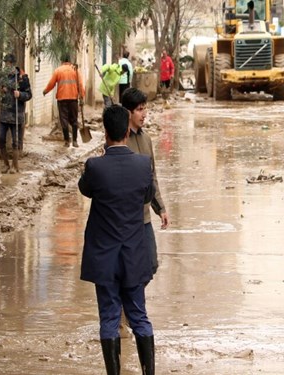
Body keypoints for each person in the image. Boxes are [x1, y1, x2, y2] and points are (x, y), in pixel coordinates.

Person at [78, 104, 156, 375]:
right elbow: (147, 197)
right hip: (134, 254)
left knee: (109, 318)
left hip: (105, 257)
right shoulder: (143, 164)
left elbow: (84, 189)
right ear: (126, 130)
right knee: (139, 316)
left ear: (105, 132)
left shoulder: (94, 167)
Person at [121, 88, 169, 276]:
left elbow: (152, 177)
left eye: (145, 109)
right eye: (140, 110)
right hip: (125, 219)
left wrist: (161, 209)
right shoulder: (119, 140)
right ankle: (130, 303)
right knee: (128, 268)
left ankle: (132, 300)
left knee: (150, 265)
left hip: (145, 216)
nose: (144, 114)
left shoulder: (146, 139)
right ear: (129, 112)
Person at [43, 53, 85, 148]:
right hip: (73, 99)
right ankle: (75, 141)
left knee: (64, 120)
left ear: (62, 61)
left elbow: (51, 83)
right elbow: (81, 84)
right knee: (74, 120)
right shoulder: (75, 70)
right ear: (69, 60)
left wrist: (46, 90)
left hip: (62, 99)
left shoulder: (58, 70)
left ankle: (66, 141)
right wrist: (82, 97)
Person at [0, 53, 32, 174]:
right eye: (5, 64)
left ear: (13, 64)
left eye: (8, 64)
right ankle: (6, 164)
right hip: (4, 115)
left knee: (16, 142)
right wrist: (1, 91)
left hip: (16, 115)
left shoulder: (22, 78)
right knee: (1, 139)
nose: (6, 66)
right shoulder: (2, 77)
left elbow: (29, 94)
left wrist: (20, 95)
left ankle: (15, 166)